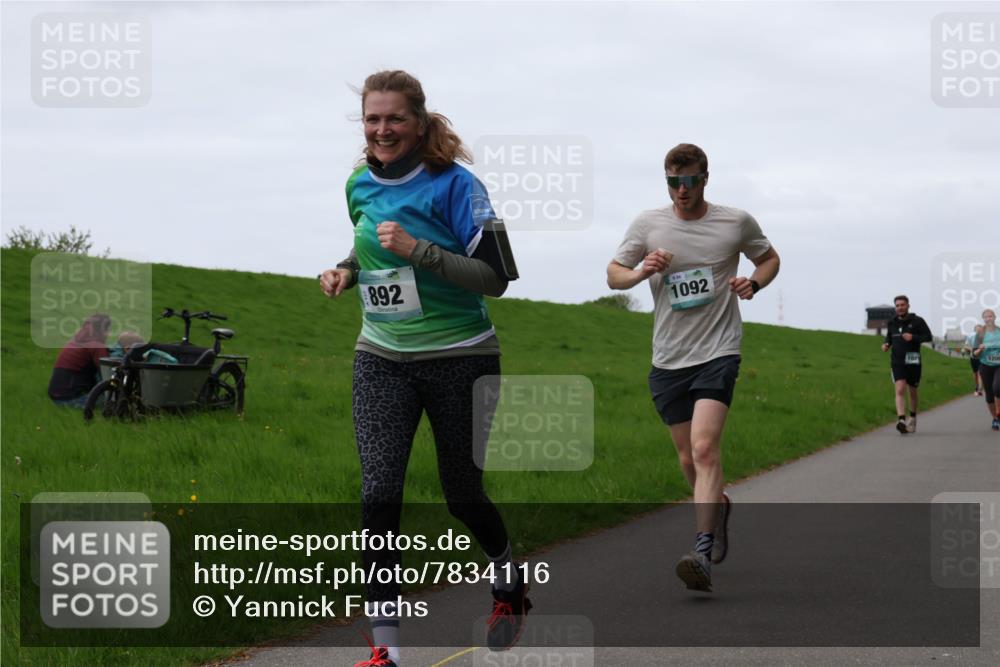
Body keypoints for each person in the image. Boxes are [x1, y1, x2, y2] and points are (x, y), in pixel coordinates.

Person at [319, 70, 525, 667]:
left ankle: (508, 580)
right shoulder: (358, 182)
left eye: (395, 119)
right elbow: (366, 244)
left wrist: (422, 252)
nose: (382, 129)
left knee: (462, 494)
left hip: (461, 356)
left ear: (419, 120)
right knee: (379, 495)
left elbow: (497, 277)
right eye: (372, 118)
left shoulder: (457, 186)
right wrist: (345, 270)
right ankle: (387, 653)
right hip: (381, 357)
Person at [606, 143, 779, 593]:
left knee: (704, 449)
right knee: (687, 458)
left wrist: (754, 282)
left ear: (706, 178)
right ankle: (716, 508)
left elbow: (769, 257)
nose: (682, 190)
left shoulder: (734, 221)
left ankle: (701, 550)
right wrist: (643, 270)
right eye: (673, 182)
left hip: (718, 350)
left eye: (690, 181)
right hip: (668, 357)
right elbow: (613, 274)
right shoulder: (648, 224)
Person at [880, 295, 933, 434]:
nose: (900, 308)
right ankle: (901, 420)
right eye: (897, 305)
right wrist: (886, 344)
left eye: (902, 305)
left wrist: (913, 338)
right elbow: (889, 338)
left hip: (913, 358)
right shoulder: (892, 323)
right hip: (897, 360)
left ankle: (913, 418)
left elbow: (928, 337)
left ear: (908, 306)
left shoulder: (918, 321)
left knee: (912, 390)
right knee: (899, 389)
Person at [47, 313, 112, 407]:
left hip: (55, 399)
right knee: (113, 397)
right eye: (107, 329)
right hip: (72, 400)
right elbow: (107, 373)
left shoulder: (74, 341)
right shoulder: (96, 346)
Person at [971, 309, 1000, 431]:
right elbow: (974, 354)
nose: (988, 319)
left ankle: (998, 412)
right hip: (985, 365)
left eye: (990, 316)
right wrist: (980, 349)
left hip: (999, 365)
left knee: (997, 388)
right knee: (989, 394)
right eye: (985, 317)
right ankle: (995, 419)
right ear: (983, 319)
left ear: (995, 317)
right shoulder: (980, 334)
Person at [962, 324, 985, 396]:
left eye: (980, 329)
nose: (979, 330)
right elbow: (966, 346)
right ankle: (977, 386)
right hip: (973, 357)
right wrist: (971, 349)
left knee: (980, 372)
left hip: (982, 357)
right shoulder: (970, 336)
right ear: (975, 330)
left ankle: (979, 389)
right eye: (977, 329)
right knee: (975, 373)